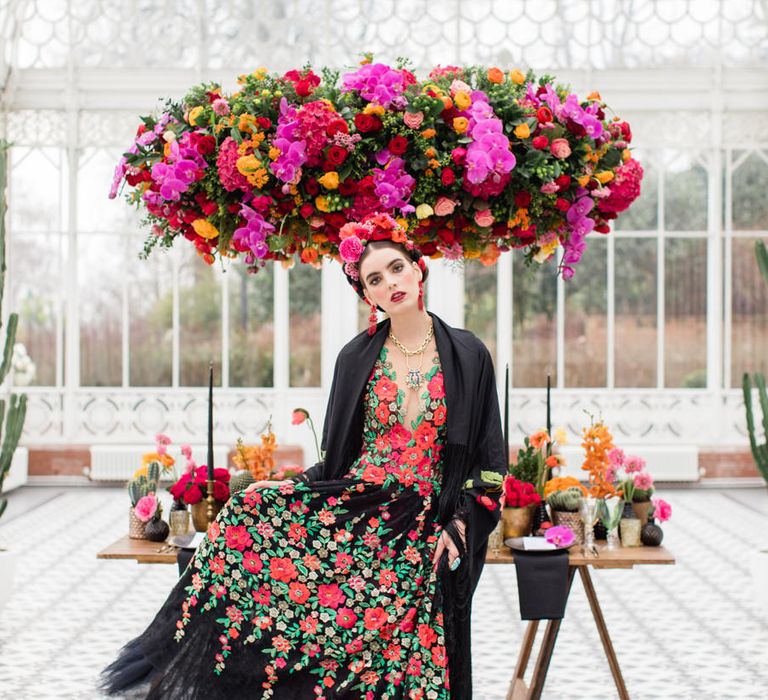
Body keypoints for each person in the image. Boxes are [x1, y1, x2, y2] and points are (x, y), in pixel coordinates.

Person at [101, 213, 506, 699]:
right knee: (251, 514)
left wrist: (461, 525)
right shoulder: (356, 358)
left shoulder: (468, 353)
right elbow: (337, 457)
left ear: (418, 270)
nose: (390, 283)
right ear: (367, 295)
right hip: (360, 507)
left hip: (425, 522)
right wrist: (286, 486)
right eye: (374, 279)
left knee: (408, 662)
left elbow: (488, 459)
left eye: (396, 269)